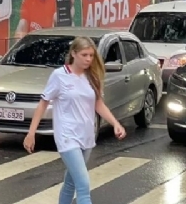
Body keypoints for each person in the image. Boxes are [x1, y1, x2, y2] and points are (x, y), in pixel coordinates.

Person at [23, 37, 126, 204]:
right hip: (67, 136)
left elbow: (98, 104)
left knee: (71, 182)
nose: (88, 59)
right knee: (83, 185)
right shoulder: (59, 75)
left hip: (86, 135)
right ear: (73, 54)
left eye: (91, 55)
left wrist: (115, 124)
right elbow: (43, 104)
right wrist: (31, 133)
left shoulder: (93, 77)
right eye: (84, 55)